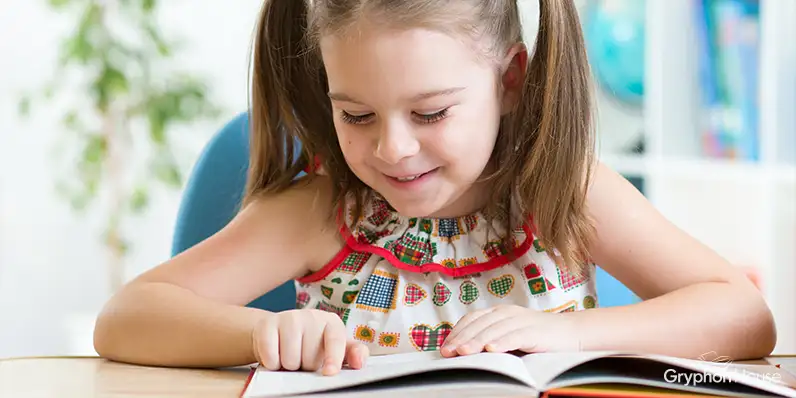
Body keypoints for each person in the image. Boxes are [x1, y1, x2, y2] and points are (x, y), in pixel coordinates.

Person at [92, 0, 776, 376]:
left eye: (431, 113)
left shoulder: (568, 193)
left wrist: (568, 336)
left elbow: (743, 316)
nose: (392, 148)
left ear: (509, 81)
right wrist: (265, 331)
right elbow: (128, 317)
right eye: (355, 114)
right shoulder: (321, 212)